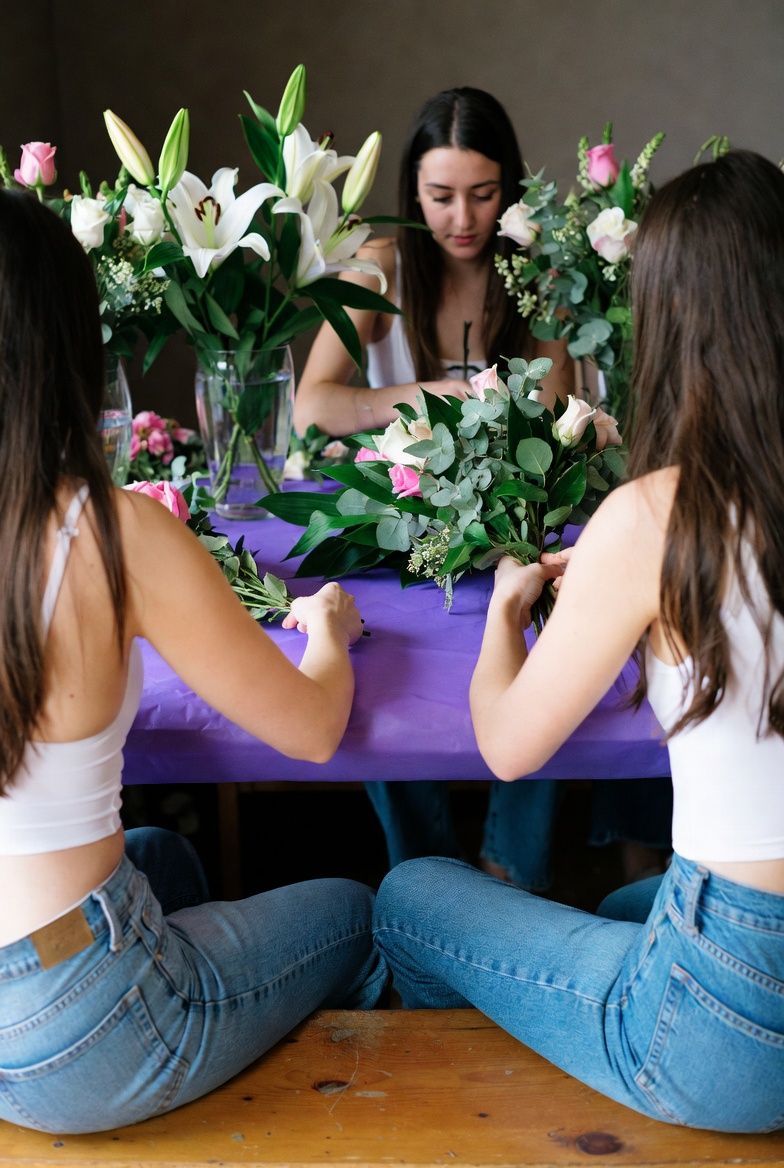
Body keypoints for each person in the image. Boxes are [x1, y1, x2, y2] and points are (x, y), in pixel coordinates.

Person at [373, 150, 784, 1133]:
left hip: (729, 1029)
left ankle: (464, 1122)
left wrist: (507, 617)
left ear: (668, 320)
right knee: (612, 912)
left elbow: (508, 745)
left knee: (412, 891)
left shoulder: (657, 517)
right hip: (730, 953)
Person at [0, 189, 387, 1135]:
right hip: (76, 1034)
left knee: (164, 856)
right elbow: (313, 729)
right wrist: (329, 630)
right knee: (363, 912)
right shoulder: (109, 532)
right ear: (64, 345)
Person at [296, 85, 670, 891]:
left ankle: (511, 872)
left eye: (482, 195)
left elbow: (555, 411)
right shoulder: (378, 266)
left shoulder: (533, 270)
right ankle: (426, 873)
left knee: (548, 655)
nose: (461, 219)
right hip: (409, 525)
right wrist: (439, 397)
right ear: (413, 192)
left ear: (511, 191)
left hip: (519, 523)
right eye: (439, 197)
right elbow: (314, 403)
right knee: (384, 672)